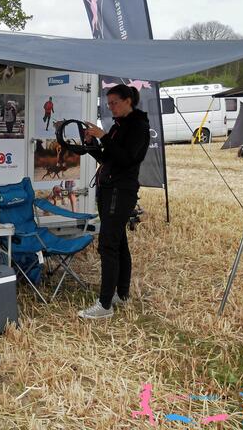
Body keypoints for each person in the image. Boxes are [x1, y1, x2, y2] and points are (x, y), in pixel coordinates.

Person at [78, 84, 150, 319]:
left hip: (121, 191)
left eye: (114, 103)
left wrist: (105, 137)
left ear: (128, 100)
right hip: (110, 189)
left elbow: (127, 159)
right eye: (108, 104)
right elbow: (107, 158)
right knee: (119, 243)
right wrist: (91, 143)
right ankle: (121, 293)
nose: (111, 108)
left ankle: (105, 304)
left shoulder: (138, 126)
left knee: (108, 245)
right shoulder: (119, 126)